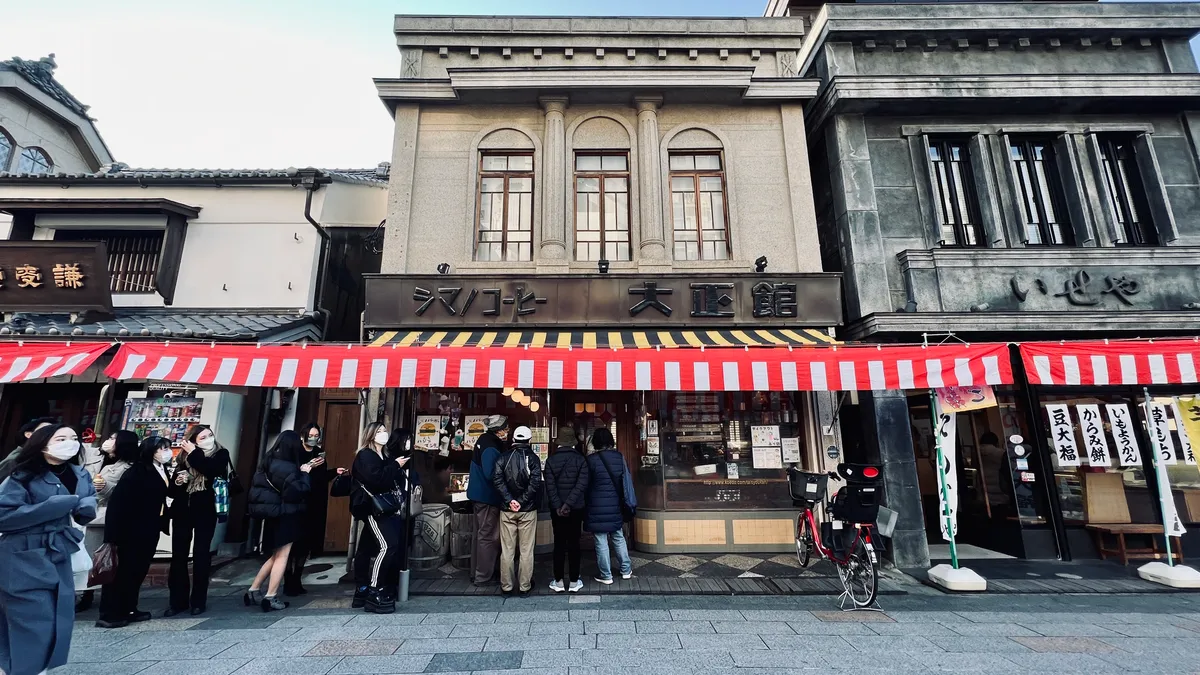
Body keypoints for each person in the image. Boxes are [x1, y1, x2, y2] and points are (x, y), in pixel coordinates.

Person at [0, 424, 96, 675]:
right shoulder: (21, 474)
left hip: (59, 551)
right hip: (23, 553)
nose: (70, 443)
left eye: (74, 438)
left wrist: (87, 505)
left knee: (56, 617)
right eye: (61, 438)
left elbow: (83, 503)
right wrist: (54, 506)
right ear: (41, 443)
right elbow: (4, 516)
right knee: (32, 618)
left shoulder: (79, 473)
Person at [96, 436, 171, 628]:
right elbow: (117, 504)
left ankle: (130, 607)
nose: (165, 452)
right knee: (122, 572)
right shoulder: (136, 472)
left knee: (138, 571)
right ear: (149, 451)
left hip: (150, 528)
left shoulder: (161, 470)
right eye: (160, 448)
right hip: (130, 530)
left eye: (167, 448)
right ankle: (110, 613)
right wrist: (112, 536)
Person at [166, 424, 231, 617]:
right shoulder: (183, 457)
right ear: (194, 440)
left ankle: (198, 601)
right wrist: (178, 481)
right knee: (179, 556)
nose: (208, 439)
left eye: (209, 435)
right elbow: (173, 487)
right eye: (202, 437)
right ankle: (177, 601)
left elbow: (211, 471)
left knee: (202, 555)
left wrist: (195, 453)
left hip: (206, 509)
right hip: (183, 509)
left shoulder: (220, 454)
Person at [246, 430, 314, 612]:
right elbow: (297, 492)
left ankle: (253, 589)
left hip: (271, 514)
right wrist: (305, 474)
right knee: (283, 556)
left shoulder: (267, 462)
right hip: (287, 514)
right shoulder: (289, 467)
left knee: (274, 555)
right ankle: (271, 595)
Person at [350, 422, 413, 614]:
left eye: (385, 431)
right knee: (388, 545)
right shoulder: (365, 455)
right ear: (370, 435)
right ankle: (374, 589)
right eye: (379, 432)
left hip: (382, 509)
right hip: (372, 508)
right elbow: (377, 480)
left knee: (367, 547)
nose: (383, 434)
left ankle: (364, 590)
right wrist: (395, 465)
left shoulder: (383, 455)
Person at [79, 430, 141, 612]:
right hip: (91, 513)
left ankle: (98, 595)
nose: (109, 441)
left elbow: (124, 492)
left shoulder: (129, 466)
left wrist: (105, 487)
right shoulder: (99, 458)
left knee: (103, 556)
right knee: (92, 556)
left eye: (114, 439)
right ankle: (86, 593)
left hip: (106, 516)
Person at [492, 425, 542, 597]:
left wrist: (510, 500)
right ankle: (524, 586)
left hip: (507, 510)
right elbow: (535, 483)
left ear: (513, 439)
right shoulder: (533, 458)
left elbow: (497, 480)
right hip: (527, 510)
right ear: (529, 440)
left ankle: (506, 587)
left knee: (507, 549)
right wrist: (520, 502)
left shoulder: (502, 457)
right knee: (526, 549)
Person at [283, 422, 328, 596]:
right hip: (296, 502)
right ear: (303, 436)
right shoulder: (294, 454)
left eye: (316, 435)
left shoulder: (318, 454)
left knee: (305, 543)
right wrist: (305, 470)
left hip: (314, 502)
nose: (314, 438)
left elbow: (321, 478)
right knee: (292, 543)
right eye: (311, 435)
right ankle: (287, 580)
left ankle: (297, 578)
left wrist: (333, 472)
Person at [585, 428, 633, 585]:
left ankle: (606, 575)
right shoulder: (619, 457)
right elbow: (625, 481)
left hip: (596, 506)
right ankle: (626, 570)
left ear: (596, 442)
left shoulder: (591, 460)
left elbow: (585, 485)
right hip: (615, 505)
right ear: (611, 440)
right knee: (618, 537)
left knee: (600, 540)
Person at [544, 425, 588, 593]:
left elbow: (550, 487)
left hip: (557, 510)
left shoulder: (550, 460)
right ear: (573, 443)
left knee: (559, 544)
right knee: (575, 543)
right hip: (576, 508)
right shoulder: (581, 460)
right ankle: (575, 581)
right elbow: (581, 484)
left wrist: (558, 506)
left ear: (559, 442)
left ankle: (559, 581)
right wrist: (568, 504)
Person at [467, 414, 507, 586]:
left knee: (480, 534)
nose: (507, 431)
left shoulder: (483, 440)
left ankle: (476, 572)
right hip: (487, 496)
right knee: (488, 536)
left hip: (478, 495)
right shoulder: (491, 446)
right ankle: (483, 576)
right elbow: (491, 473)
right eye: (506, 428)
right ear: (499, 430)